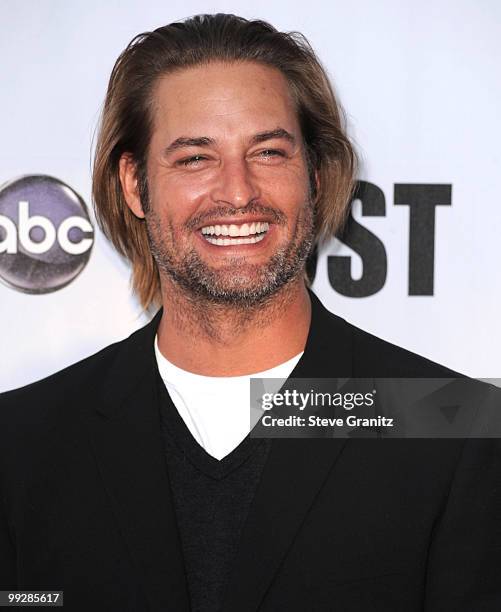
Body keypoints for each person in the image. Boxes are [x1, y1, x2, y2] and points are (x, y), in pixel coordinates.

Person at [1, 13, 500, 612]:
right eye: (194, 159)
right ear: (134, 185)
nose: (237, 192)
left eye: (268, 152)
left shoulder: (451, 430)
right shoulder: (23, 443)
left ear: (313, 176)